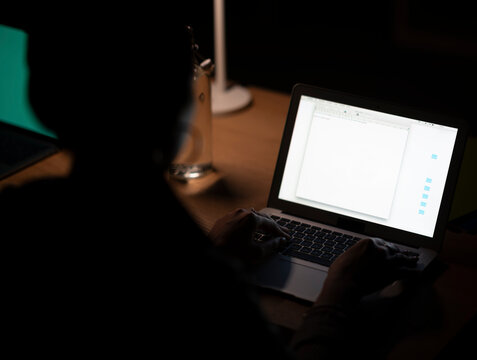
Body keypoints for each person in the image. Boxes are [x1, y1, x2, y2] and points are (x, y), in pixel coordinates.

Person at [1, 9, 418, 359]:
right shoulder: (194, 276)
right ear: (182, 103)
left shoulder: (22, 216)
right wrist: (338, 294)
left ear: (42, 98)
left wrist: (220, 258)